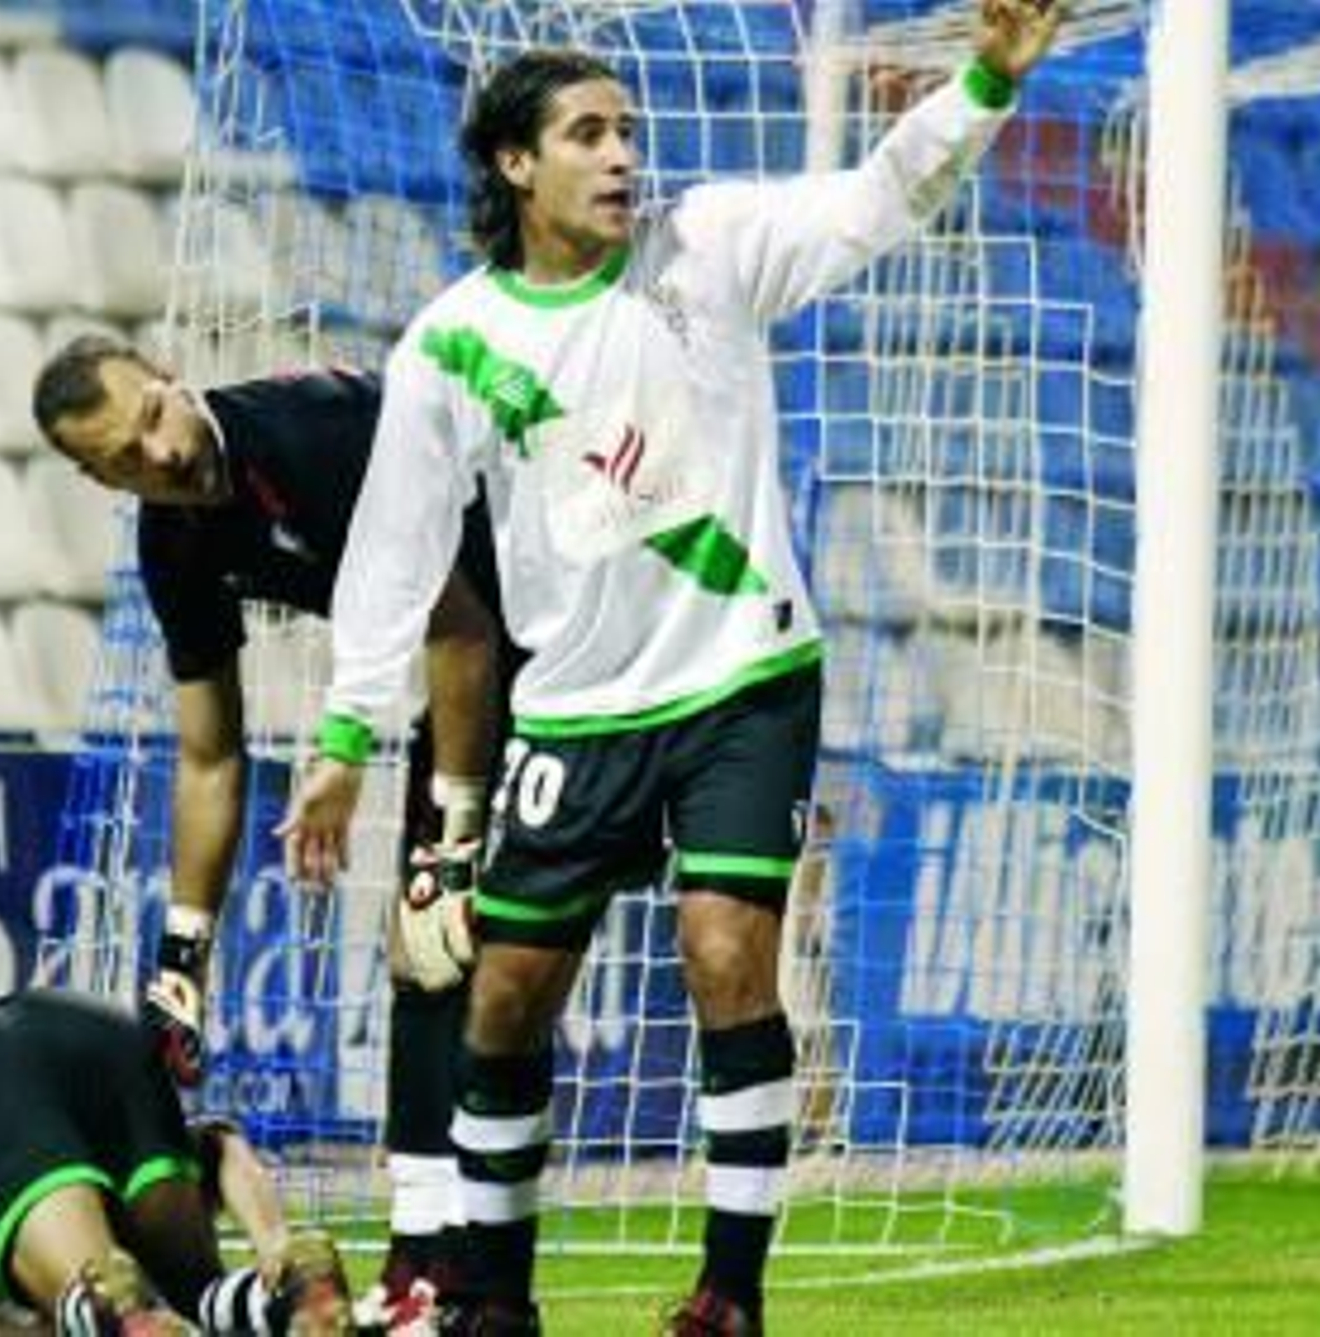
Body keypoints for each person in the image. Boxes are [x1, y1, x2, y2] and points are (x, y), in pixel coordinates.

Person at [281, 3, 1065, 1332]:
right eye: (587, 133)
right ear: (515, 165)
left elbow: (879, 199)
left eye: (627, 131)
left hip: (743, 678)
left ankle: (730, 1292)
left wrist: (984, 80)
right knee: (510, 992)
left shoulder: (704, 249)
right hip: (578, 707)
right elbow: (396, 551)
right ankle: (491, 1297)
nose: (621, 155)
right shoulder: (451, 345)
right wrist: (348, 740)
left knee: (724, 955)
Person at [31, 336, 513, 1332]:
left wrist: (449, 835)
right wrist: (183, 959)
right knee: (434, 954)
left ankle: (466, 1274)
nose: (158, 455)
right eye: (124, 456)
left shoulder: (310, 440)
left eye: (155, 416)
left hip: (566, 629)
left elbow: (461, 624)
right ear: (95, 477)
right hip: (481, 653)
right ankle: (433, 1268)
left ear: (170, 374)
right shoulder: (174, 543)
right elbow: (210, 755)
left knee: (479, 948)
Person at [0, 987, 351, 1335]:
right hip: (102, 1035)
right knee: (193, 1297)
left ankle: (113, 1312)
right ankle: (283, 1296)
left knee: (103, 1301)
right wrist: (274, 1243)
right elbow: (220, 1144)